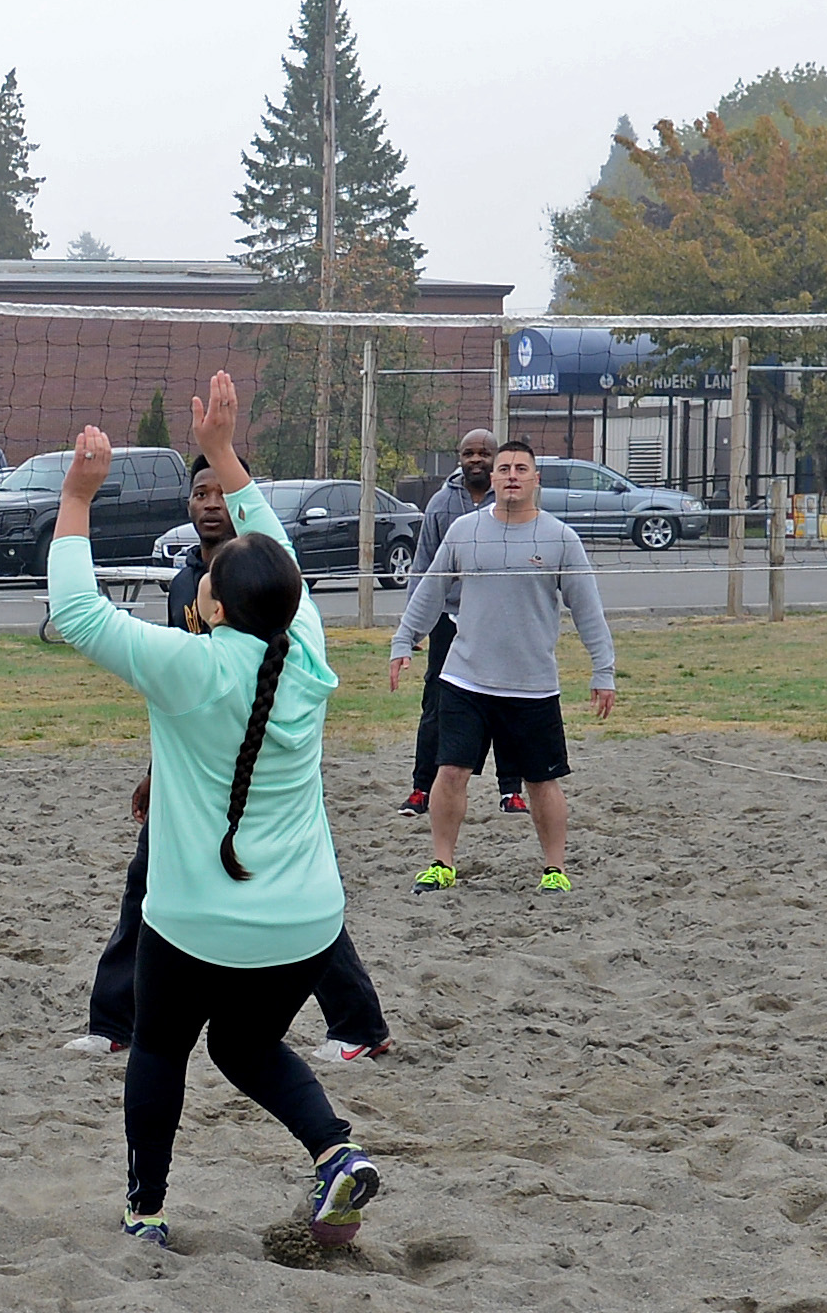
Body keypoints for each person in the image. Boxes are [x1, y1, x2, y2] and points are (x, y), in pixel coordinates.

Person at [45, 373, 379, 1252]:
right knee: (244, 1046)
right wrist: (225, 455)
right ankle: (336, 1153)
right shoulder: (306, 650)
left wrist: (77, 496)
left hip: (195, 918)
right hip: (306, 920)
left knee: (160, 1050)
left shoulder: (189, 664)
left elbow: (75, 612)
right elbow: (277, 553)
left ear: (214, 605)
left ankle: (146, 1213)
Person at [72, 456, 393, 1064]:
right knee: (149, 882)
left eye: (223, 492)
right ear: (188, 506)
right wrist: (157, 771)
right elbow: (183, 694)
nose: (212, 502)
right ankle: (113, 1020)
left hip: (256, 773)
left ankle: (358, 1022)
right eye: (201, 493)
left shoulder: (270, 586)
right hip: (201, 762)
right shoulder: (186, 584)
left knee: (276, 898)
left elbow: (84, 619)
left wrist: (77, 498)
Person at [386, 435, 615, 894]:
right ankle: (442, 863)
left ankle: (554, 869)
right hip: (465, 678)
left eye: (520, 469)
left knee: (541, 781)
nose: (512, 477)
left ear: (535, 479)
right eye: (505, 469)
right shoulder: (464, 530)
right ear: (493, 479)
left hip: (532, 685)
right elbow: (430, 591)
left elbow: (588, 609)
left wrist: (602, 669)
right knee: (451, 772)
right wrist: (403, 641)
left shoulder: (560, 538)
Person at [395, 427, 525, 819]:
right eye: (469, 453)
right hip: (449, 620)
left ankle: (511, 791)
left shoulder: (514, 501)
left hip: (500, 617)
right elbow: (423, 567)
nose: (476, 460)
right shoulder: (441, 504)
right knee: (435, 703)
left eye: (484, 453)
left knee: (509, 702)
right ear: (460, 458)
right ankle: (421, 788)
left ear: (495, 459)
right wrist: (413, 628)